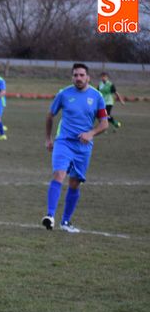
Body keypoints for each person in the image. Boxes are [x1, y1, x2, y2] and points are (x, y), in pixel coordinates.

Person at [42, 63, 109, 234]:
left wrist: (91, 133)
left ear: (88, 77)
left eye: (81, 75)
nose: (78, 78)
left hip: (83, 146)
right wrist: (48, 138)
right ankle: (50, 216)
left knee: (74, 183)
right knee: (59, 174)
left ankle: (65, 221)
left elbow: (104, 123)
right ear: (72, 77)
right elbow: (50, 115)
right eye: (75, 75)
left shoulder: (97, 96)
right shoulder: (63, 94)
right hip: (63, 142)